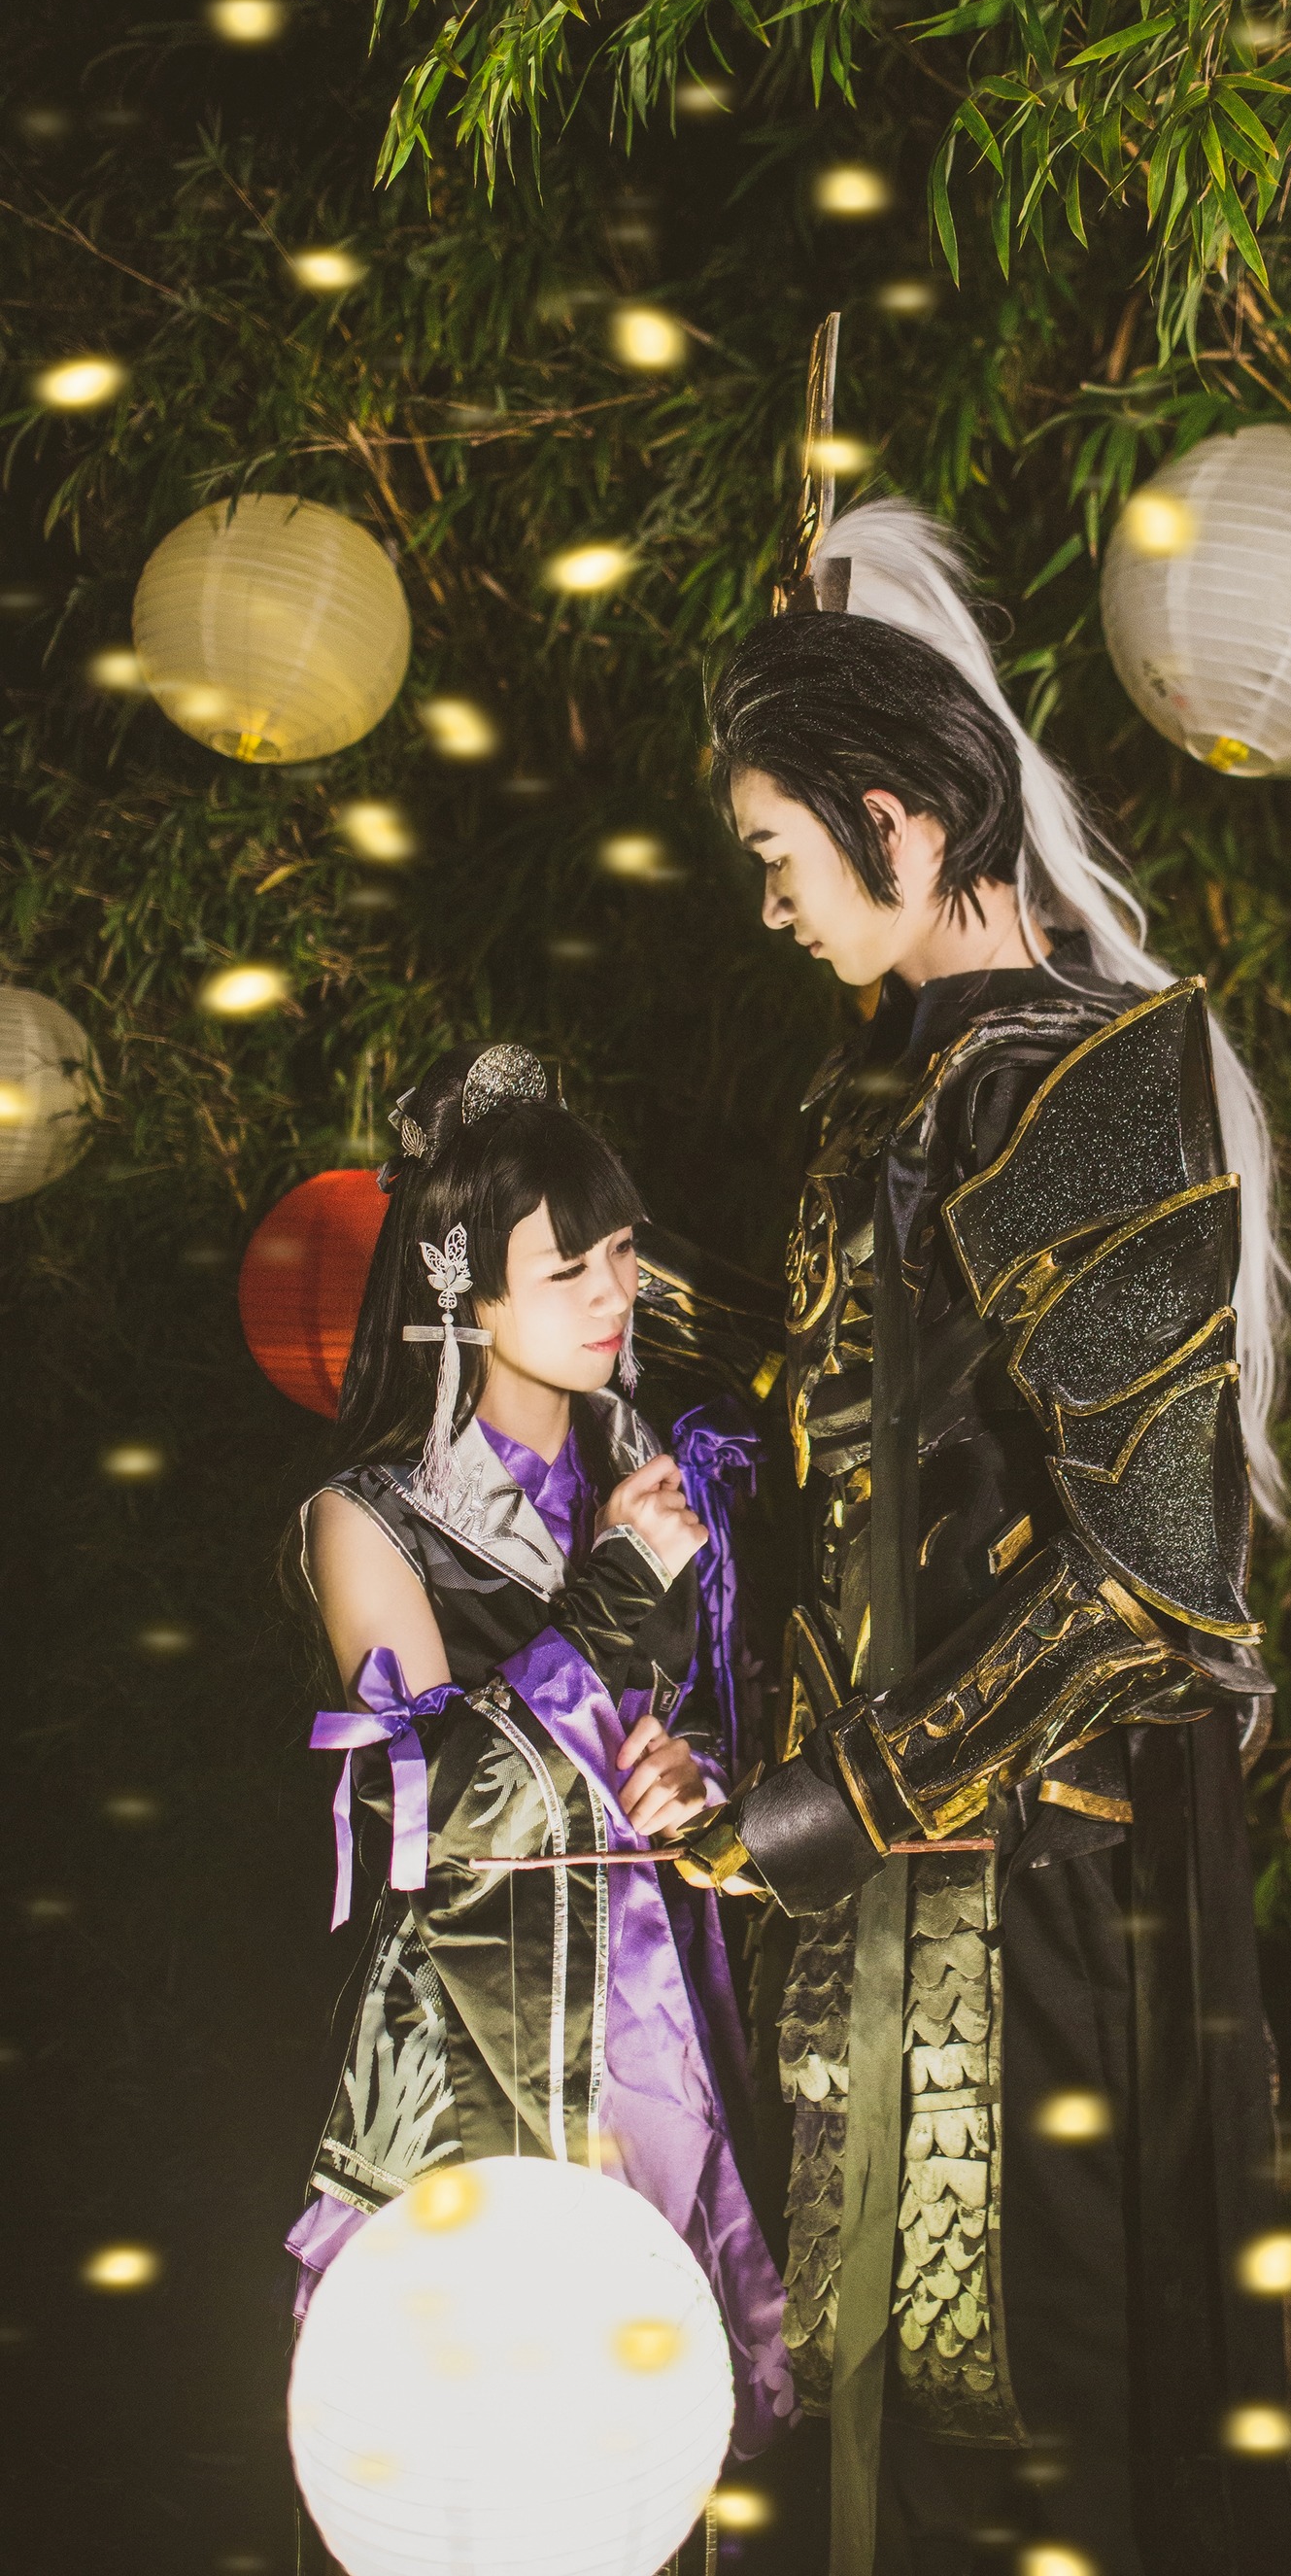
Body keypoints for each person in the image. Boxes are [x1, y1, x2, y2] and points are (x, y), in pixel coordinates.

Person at [675, 501, 1291, 2575]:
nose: (771, 904)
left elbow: (1150, 1578)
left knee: (1026, 2408)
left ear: (898, 822)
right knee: (873, 2400)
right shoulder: (889, 1090)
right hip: (886, 1868)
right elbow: (871, 1398)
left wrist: (842, 1801)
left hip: (1031, 1872)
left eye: (779, 852)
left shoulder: (1090, 1081)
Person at [284, 1039, 794, 2462]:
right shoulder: (370, 1519)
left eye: (623, 1252)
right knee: (489, 2449)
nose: (618, 1295)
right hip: (473, 2042)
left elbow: (721, 1718)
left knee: (669, 2440)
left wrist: (696, 1780)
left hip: (670, 2022)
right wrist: (619, 1588)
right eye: (569, 1269)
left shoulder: (665, 1473)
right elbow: (437, 1816)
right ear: (466, 1294)